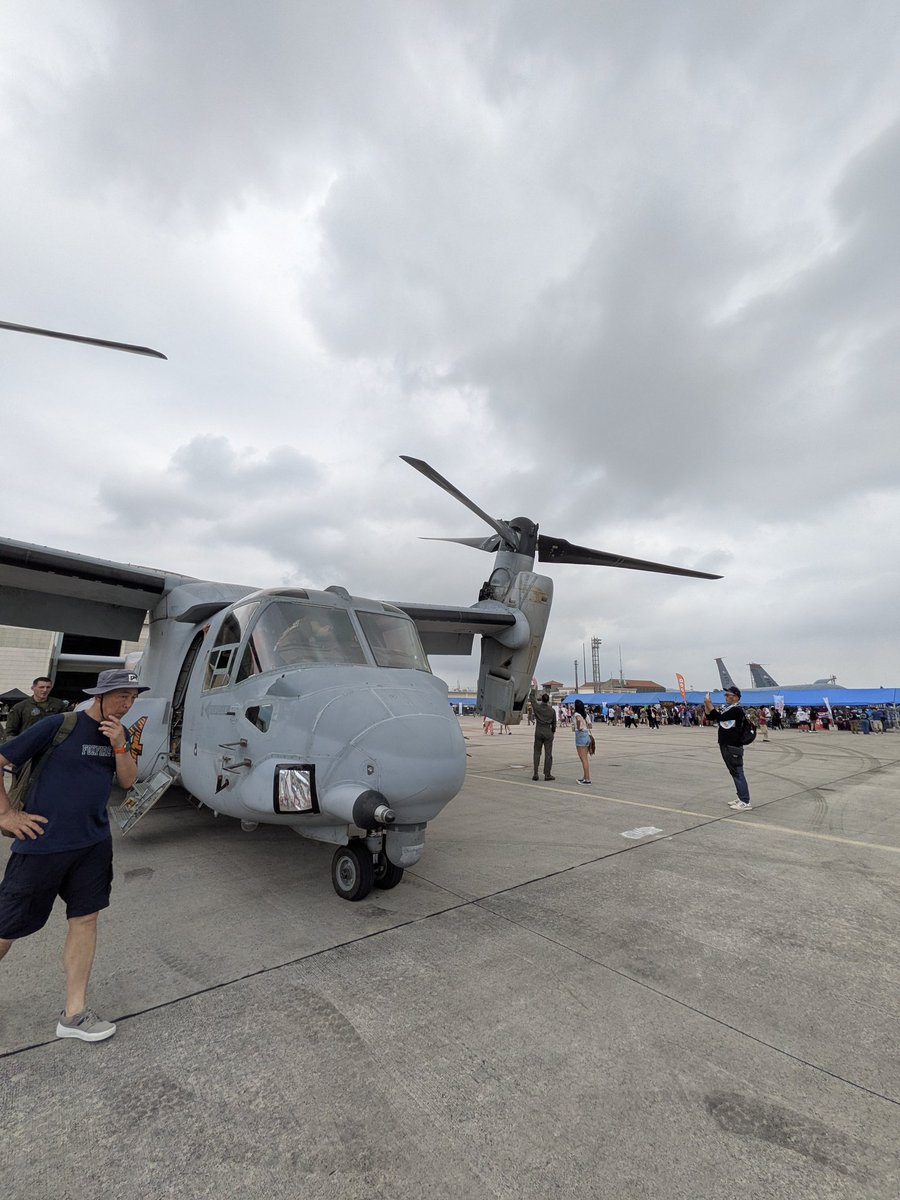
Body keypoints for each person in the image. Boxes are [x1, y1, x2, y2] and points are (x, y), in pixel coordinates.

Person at [0, 668, 148, 1042]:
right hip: (42, 845)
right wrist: (6, 814)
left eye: (133, 698)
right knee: (6, 928)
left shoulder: (121, 733)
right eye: (121, 697)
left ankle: (74, 1014)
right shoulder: (60, 725)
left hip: (93, 845)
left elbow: (129, 780)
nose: (128, 705)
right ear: (99, 695)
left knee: (85, 921)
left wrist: (119, 744)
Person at [704, 686, 752, 811]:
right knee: (734, 771)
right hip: (726, 743)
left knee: (737, 772)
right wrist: (706, 705)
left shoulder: (736, 710)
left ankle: (745, 801)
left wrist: (709, 704)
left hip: (733, 745)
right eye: (725, 695)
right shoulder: (727, 709)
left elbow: (718, 717)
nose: (726, 697)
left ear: (735, 697)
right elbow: (711, 717)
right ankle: (741, 796)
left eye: (728, 695)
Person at [530, 692, 557, 780]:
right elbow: (554, 723)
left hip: (539, 730)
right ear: (548, 700)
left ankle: (535, 772)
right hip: (548, 731)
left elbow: (532, 699)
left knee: (537, 752)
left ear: (541, 699)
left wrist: (533, 688)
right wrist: (552, 732)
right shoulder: (552, 710)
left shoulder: (537, 708)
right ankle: (547, 774)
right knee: (548, 754)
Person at [573, 699, 592, 784]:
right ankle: (585, 777)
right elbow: (590, 725)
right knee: (585, 758)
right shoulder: (585, 715)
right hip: (587, 735)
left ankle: (587, 779)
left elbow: (578, 719)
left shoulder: (577, 714)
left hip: (580, 735)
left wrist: (578, 726)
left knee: (583, 758)